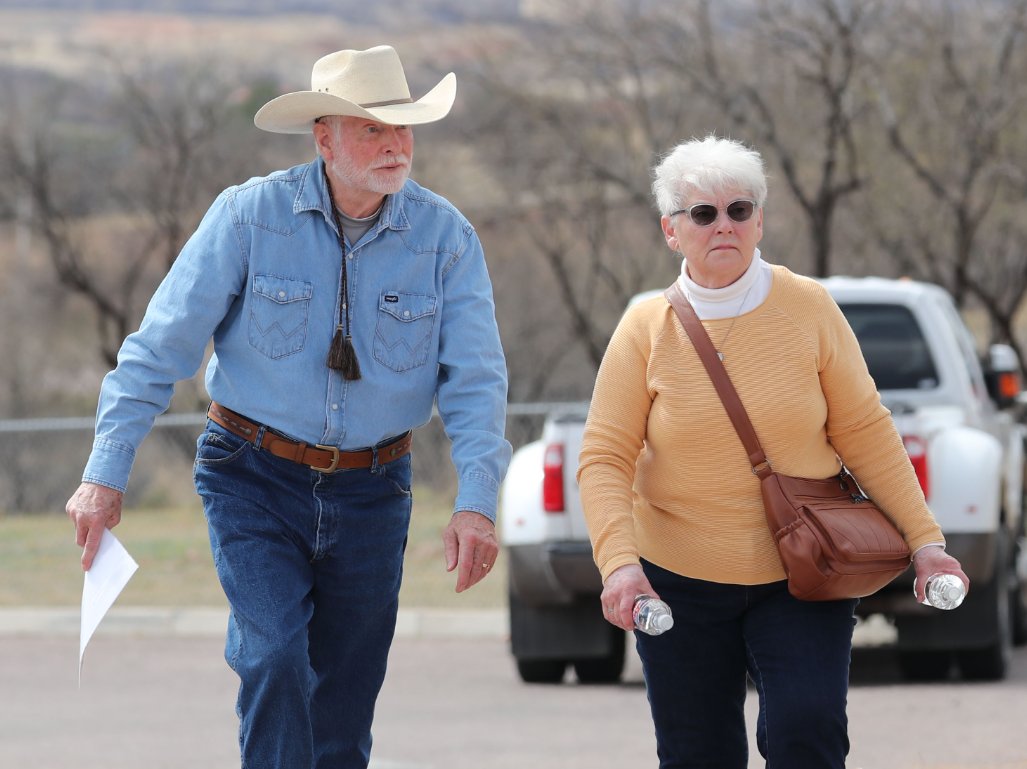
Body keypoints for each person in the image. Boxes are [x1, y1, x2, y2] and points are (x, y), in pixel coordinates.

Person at [65, 45, 511, 769]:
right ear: (324, 139)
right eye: (371, 129)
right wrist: (104, 473)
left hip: (375, 489)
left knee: (343, 703)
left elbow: (477, 381)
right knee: (272, 656)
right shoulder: (248, 216)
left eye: (403, 128)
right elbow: (157, 348)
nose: (395, 144)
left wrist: (476, 502)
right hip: (252, 476)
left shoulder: (446, 239)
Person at [577, 135, 968, 768]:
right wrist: (620, 564)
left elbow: (865, 429)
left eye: (739, 209)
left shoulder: (809, 307)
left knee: (806, 735)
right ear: (671, 231)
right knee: (697, 753)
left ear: (760, 220)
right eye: (702, 214)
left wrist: (927, 545)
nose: (723, 224)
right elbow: (605, 457)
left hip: (804, 573)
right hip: (679, 582)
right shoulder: (645, 328)